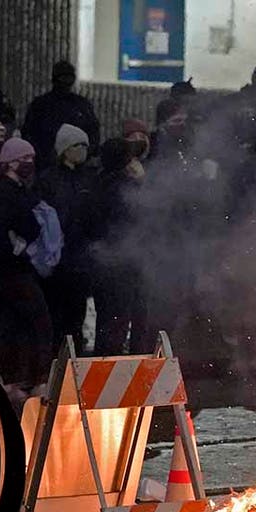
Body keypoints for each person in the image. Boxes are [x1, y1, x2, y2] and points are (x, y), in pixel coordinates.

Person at [0, 137, 53, 394]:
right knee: (38, 320)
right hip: (12, 268)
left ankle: (12, 376)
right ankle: (36, 377)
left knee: (14, 323)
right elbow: (24, 223)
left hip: (11, 267)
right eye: (24, 159)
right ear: (9, 162)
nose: (29, 163)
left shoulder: (9, 190)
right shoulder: (6, 192)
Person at [36, 123, 95, 349]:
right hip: (58, 260)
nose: (82, 149)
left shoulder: (88, 178)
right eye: (77, 145)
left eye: (85, 145)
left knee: (76, 316)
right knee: (57, 316)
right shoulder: (49, 179)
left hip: (80, 258)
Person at [90, 139, 148, 355]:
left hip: (103, 264)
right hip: (123, 264)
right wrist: (141, 182)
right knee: (120, 323)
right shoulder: (127, 188)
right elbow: (145, 218)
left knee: (106, 323)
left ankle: (101, 366)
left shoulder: (97, 184)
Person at [21, 61, 100, 169]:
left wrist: (84, 154)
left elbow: (93, 132)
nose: (66, 82)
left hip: (78, 166)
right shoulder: (41, 105)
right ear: (54, 79)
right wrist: (43, 157)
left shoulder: (82, 105)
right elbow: (29, 134)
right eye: (63, 77)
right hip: (45, 165)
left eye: (69, 77)